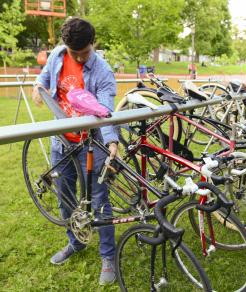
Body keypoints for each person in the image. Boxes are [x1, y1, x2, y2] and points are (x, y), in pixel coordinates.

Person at [32, 17, 118, 286]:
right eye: (74, 53)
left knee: (99, 200)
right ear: (64, 45)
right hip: (61, 143)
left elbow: (105, 111)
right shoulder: (58, 55)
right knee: (65, 198)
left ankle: (108, 256)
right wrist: (38, 86)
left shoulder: (102, 71)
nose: (80, 58)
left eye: (85, 52)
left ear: (94, 43)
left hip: (91, 144)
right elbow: (45, 76)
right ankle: (75, 242)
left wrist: (112, 141)